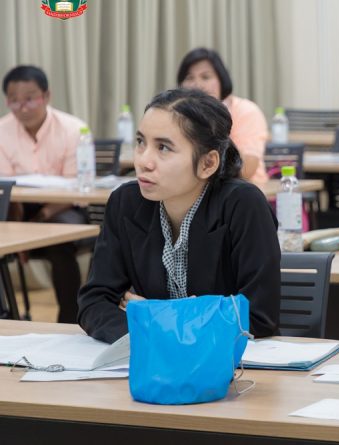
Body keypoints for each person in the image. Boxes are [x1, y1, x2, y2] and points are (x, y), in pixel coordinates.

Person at [78, 88, 281, 344]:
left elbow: (258, 316)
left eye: (163, 148)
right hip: (149, 361)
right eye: (141, 142)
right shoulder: (126, 202)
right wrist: (163, 332)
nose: (143, 161)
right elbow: (94, 302)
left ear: (208, 163)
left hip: (233, 363)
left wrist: (157, 316)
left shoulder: (243, 205)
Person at [0, 65, 89, 323]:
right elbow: (7, 188)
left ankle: (70, 321)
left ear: (46, 96)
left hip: (64, 208)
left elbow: (77, 188)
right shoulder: (2, 130)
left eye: (30, 99)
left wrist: (39, 220)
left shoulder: (73, 129)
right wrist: (18, 228)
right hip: (18, 208)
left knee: (61, 240)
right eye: (14, 101)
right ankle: (6, 317)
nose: (22, 108)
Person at [176, 47, 269, 182]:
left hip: (243, 188)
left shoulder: (246, 111)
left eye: (205, 77)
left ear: (222, 80)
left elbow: (246, 169)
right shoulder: (178, 115)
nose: (197, 84)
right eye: (189, 78)